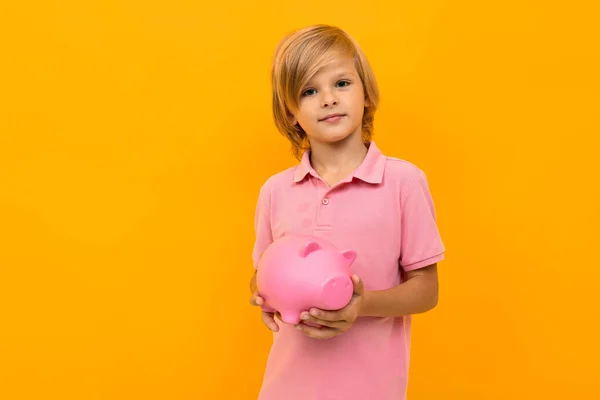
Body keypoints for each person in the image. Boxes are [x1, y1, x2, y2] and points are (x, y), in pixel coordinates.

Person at [249, 24, 445, 400]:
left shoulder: (403, 182)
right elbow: (260, 274)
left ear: (366, 92)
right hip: (286, 388)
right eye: (309, 91)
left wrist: (362, 304)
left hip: (372, 389)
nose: (328, 99)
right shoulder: (276, 191)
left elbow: (427, 290)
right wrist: (263, 296)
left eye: (341, 83)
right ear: (291, 113)